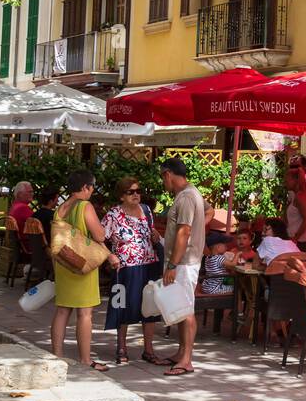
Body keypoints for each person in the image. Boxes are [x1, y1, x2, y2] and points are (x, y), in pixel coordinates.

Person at [50, 170, 120, 371]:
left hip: (65, 264)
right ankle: (85, 359)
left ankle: (57, 355)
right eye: (91, 187)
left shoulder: (61, 208)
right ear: (85, 187)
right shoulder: (85, 206)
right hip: (82, 265)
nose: (92, 191)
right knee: (85, 314)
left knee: (62, 310)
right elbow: (100, 234)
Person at [102, 176, 167, 365]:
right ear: (121, 196)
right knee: (122, 305)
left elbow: (151, 235)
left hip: (149, 265)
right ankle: (121, 347)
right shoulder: (113, 214)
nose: (136, 195)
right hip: (125, 268)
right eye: (131, 192)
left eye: (138, 191)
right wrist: (109, 256)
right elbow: (99, 238)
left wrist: (156, 236)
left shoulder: (146, 210)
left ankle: (149, 350)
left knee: (150, 307)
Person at [160, 156, 208, 376]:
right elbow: (208, 212)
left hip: (184, 262)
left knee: (186, 308)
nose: (163, 182)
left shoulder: (186, 198)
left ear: (168, 174)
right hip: (186, 260)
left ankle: (186, 359)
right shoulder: (191, 193)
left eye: (163, 177)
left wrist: (172, 263)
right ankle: (181, 353)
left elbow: (184, 231)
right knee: (180, 307)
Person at [284, 169, 306, 251]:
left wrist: (296, 238)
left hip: (300, 242)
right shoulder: (295, 196)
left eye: (288, 180)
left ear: (296, 181)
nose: (285, 183)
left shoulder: (300, 197)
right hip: (294, 240)